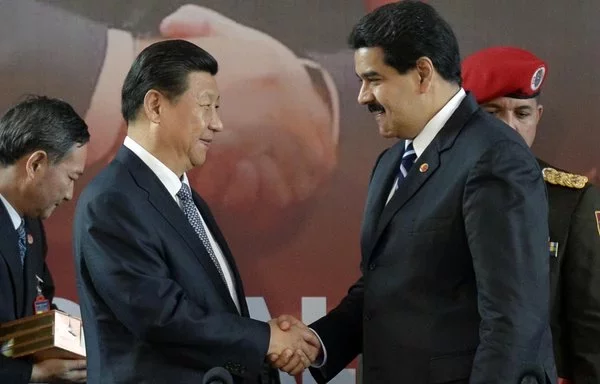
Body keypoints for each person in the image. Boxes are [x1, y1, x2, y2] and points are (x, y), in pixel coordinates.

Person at [271, 1, 556, 382]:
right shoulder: (391, 163)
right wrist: (319, 342)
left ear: (422, 73)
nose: (362, 97)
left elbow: (513, 318)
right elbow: (383, 287)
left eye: (374, 79)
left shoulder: (496, 158)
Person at [73, 39, 319, 384]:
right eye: (206, 106)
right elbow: (160, 316)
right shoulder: (113, 200)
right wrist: (265, 339)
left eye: (218, 108)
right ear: (155, 106)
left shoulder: (186, 197)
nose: (217, 124)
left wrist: (264, 337)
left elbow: (211, 310)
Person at [462, 46, 600, 384]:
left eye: (521, 114)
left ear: (537, 117)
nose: (509, 127)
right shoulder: (430, 191)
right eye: (493, 112)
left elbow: (591, 326)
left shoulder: (572, 201)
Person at [0, 96, 88, 383]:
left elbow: (39, 306)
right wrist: (31, 375)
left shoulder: (31, 227)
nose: (69, 195)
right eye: (71, 177)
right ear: (36, 163)